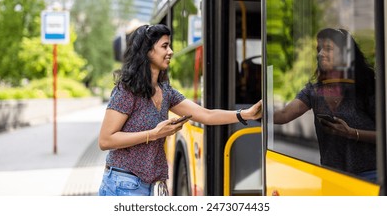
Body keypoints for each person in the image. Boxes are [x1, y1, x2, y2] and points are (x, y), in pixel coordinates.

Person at [98, 24, 262, 196]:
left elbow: (206, 114)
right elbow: (106, 140)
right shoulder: (127, 91)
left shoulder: (165, 91)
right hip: (122, 184)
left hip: (151, 187)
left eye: (169, 45)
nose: (170, 51)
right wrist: (154, 134)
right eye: (164, 46)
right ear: (147, 51)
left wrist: (245, 114)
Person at [273, 28, 377, 182]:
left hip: (369, 177)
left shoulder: (368, 86)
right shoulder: (314, 90)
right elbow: (284, 115)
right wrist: (252, 112)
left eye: (328, 48)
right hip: (331, 177)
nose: (320, 54)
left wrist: (352, 133)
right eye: (319, 49)